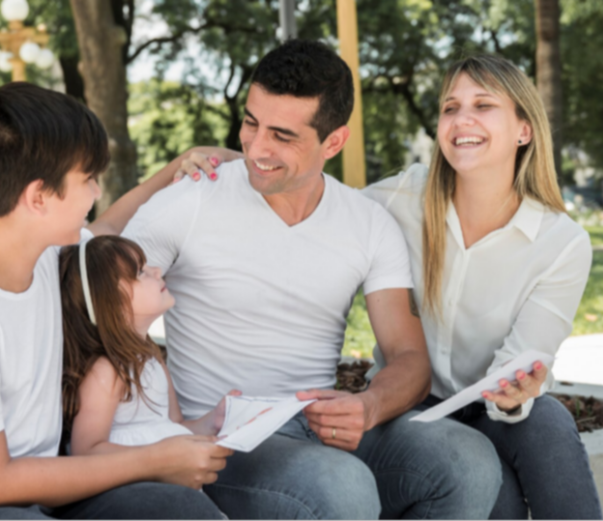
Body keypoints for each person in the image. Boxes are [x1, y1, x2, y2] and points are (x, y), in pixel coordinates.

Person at [121, 39, 502, 519]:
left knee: (467, 462)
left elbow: (409, 358)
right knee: (339, 486)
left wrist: (368, 405)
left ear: (334, 142)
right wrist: (169, 426)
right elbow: (102, 303)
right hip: (223, 438)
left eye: (282, 136)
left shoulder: (367, 222)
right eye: (251, 123)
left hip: (317, 426)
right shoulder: (192, 198)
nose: (257, 147)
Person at [0, 83, 235, 520]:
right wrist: (155, 460)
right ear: (38, 197)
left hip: (34, 492)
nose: (97, 193)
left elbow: (113, 224)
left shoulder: (46, 259)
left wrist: (184, 163)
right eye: (88, 179)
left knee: (177, 510)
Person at [360, 54, 602, 519]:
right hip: (407, 408)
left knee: (548, 421)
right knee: (499, 497)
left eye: (483, 105)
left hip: (491, 409)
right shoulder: (403, 199)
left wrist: (515, 393)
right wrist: (229, 163)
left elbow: (523, 361)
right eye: (450, 107)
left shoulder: (562, 243)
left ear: (524, 130)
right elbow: (317, 204)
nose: (461, 119)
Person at [59, 234, 239, 459]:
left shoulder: (151, 357)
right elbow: (86, 451)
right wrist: (155, 459)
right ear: (111, 303)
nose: (157, 270)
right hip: (137, 479)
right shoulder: (108, 371)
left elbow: (174, 427)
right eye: (140, 272)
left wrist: (214, 421)